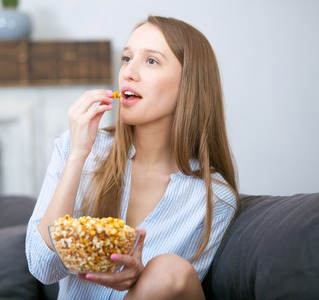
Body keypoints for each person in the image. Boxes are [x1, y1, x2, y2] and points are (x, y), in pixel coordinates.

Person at [26, 15, 238, 300]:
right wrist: (77, 156)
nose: (128, 72)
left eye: (151, 61)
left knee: (169, 271)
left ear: (190, 83)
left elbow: (175, 289)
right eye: (127, 58)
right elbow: (42, 267)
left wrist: (142, 279)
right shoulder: (80, 148)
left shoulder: (214, 198)